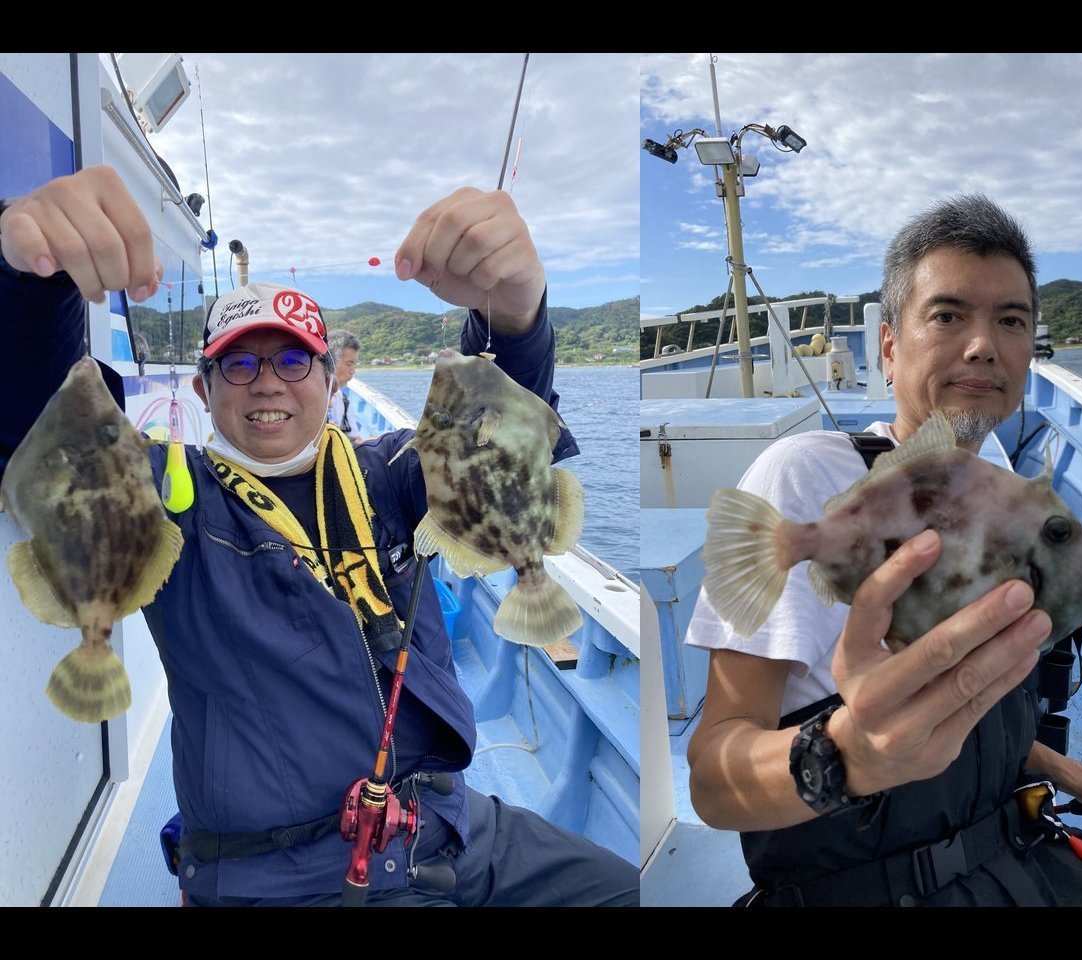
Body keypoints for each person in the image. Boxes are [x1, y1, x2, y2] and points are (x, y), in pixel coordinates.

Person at [0, 165, 637, 907]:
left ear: (330, 379)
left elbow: (501, 440)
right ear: (204, 389)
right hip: (292, 874)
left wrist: (515, 316)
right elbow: (47, 438)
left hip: (449, 824)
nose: (268, 381)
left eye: (294, 359)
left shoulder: (393, 473)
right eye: (240, 363)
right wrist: (31, 285)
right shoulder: (168, 498)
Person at [684, 193, 1082, 907]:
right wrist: (846, 753)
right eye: (948, 316)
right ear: (888, 348)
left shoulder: (995, 493)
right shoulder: (806, 475)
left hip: (1017, 855)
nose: (983, 344)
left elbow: (967, 712)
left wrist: (1081, 776)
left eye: (1011, 320)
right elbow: (712, 780)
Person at [326, 328, 362, 440]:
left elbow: (355, 438)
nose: (353, 371)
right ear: (331, 361)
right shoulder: (313, 398)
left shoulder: (342, 400)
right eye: (349, 364)